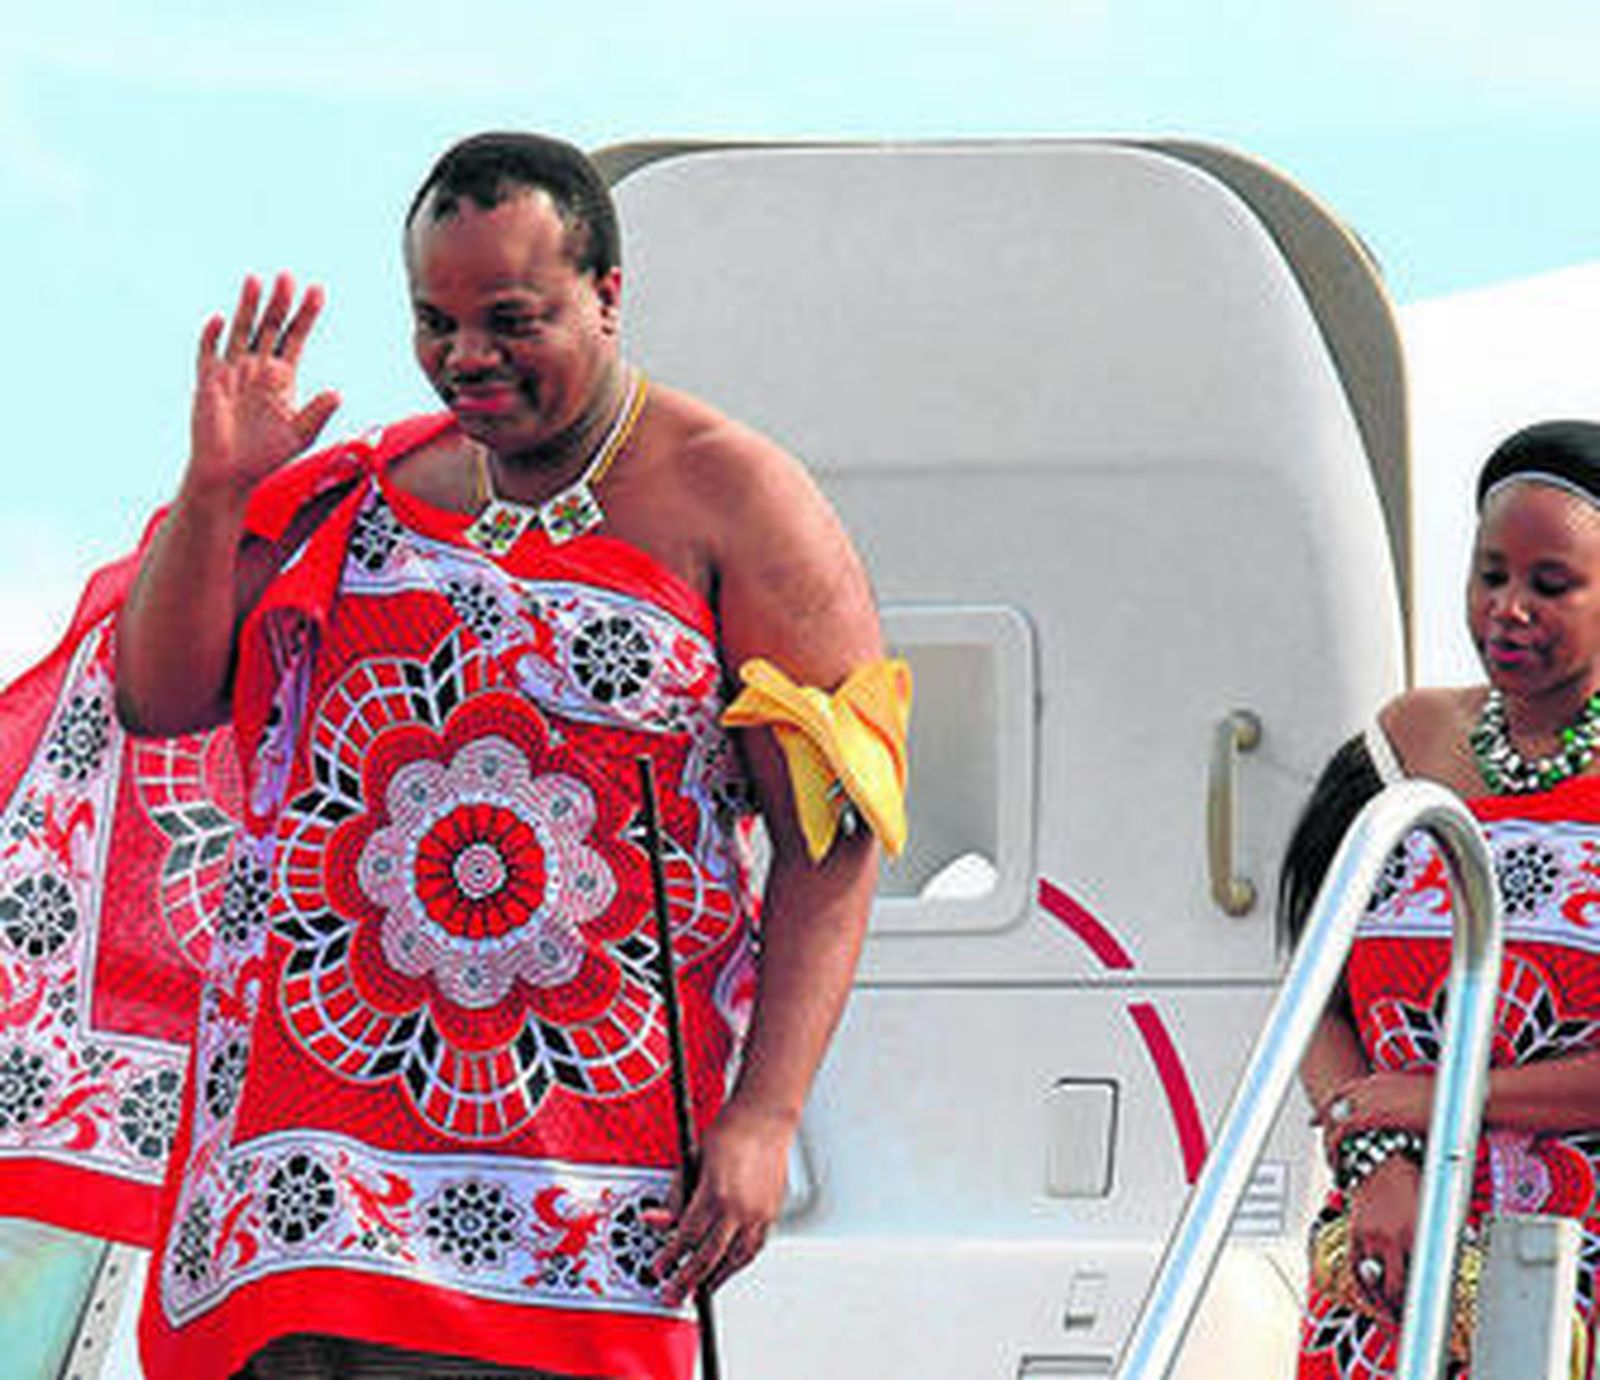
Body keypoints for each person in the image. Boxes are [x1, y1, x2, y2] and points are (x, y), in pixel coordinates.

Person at [108, 132, 908, 1380]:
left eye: (510, 318)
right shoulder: (372, 487)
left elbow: (831, 844)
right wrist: (216, 495)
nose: (464, 358)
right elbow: (160, 699)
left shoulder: (740, 501)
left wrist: (765, 1115)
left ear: (608, 295)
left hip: (568, 1190)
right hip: (298, 1182)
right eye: (435, 321)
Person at [1279, 419, 1600, 1379]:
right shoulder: (1405, 743)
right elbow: (1313, 986)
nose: (1508, 611)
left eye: (1551, 586)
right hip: (1392, 1263)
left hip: (1574, 1270)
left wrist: (1441, 1103)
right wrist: (1376, 1160)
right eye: (1490, 574)